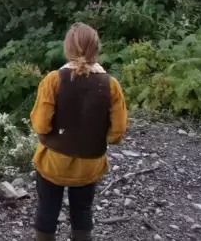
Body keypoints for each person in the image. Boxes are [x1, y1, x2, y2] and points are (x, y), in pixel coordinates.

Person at [29, 22, 128, 241]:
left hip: (53, 162)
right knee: (83, 211)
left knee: (48, 210)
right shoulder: (111, 85)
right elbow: (117, 133)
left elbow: (41, 125)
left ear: (68, 48)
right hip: (89, 163)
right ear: (96, 49)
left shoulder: (53, 80)